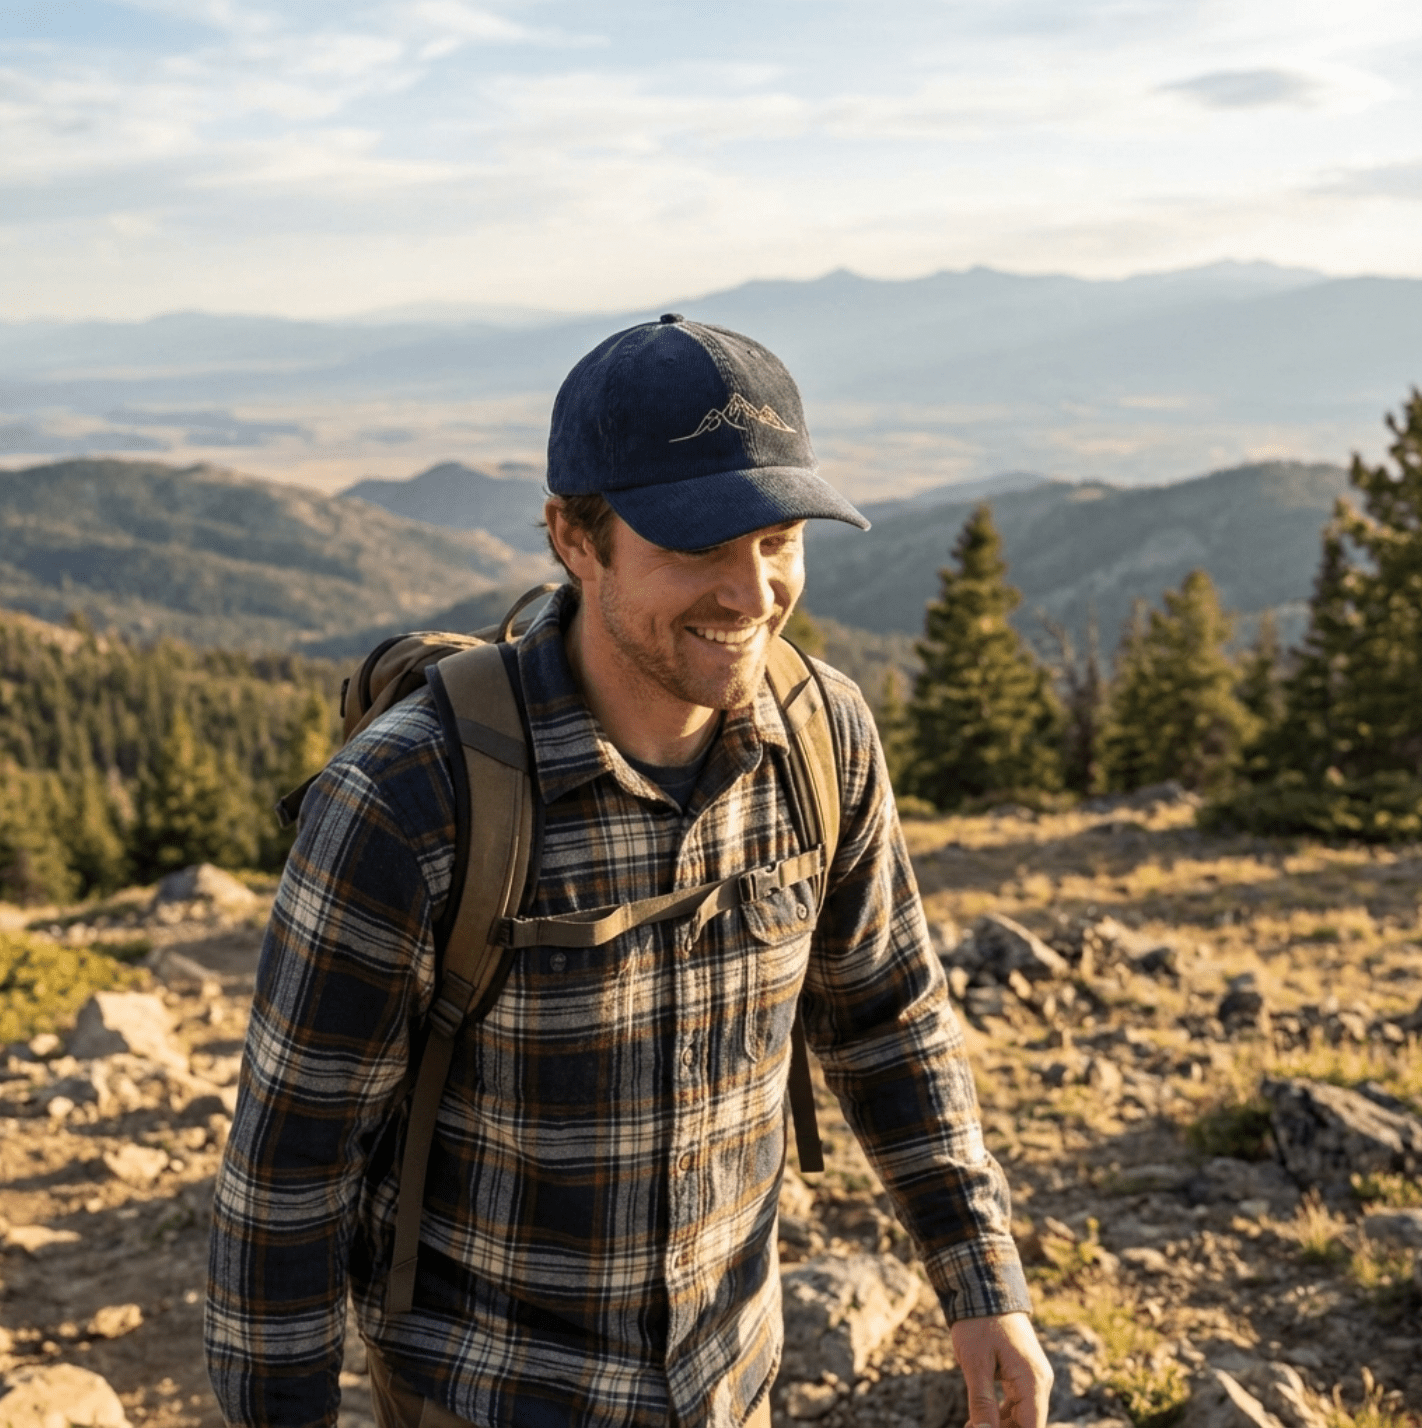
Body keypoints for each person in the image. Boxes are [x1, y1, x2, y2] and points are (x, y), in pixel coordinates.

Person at [206, 313, 1051, 1428]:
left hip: (735, 1381)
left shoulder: (824, 736)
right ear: (572, 536)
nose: (753, 595)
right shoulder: (411, 797)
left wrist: (981, 1282)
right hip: (492, 1400)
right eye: (698, 544)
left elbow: (890, 1019)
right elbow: (291, 1172)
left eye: (778, 538)